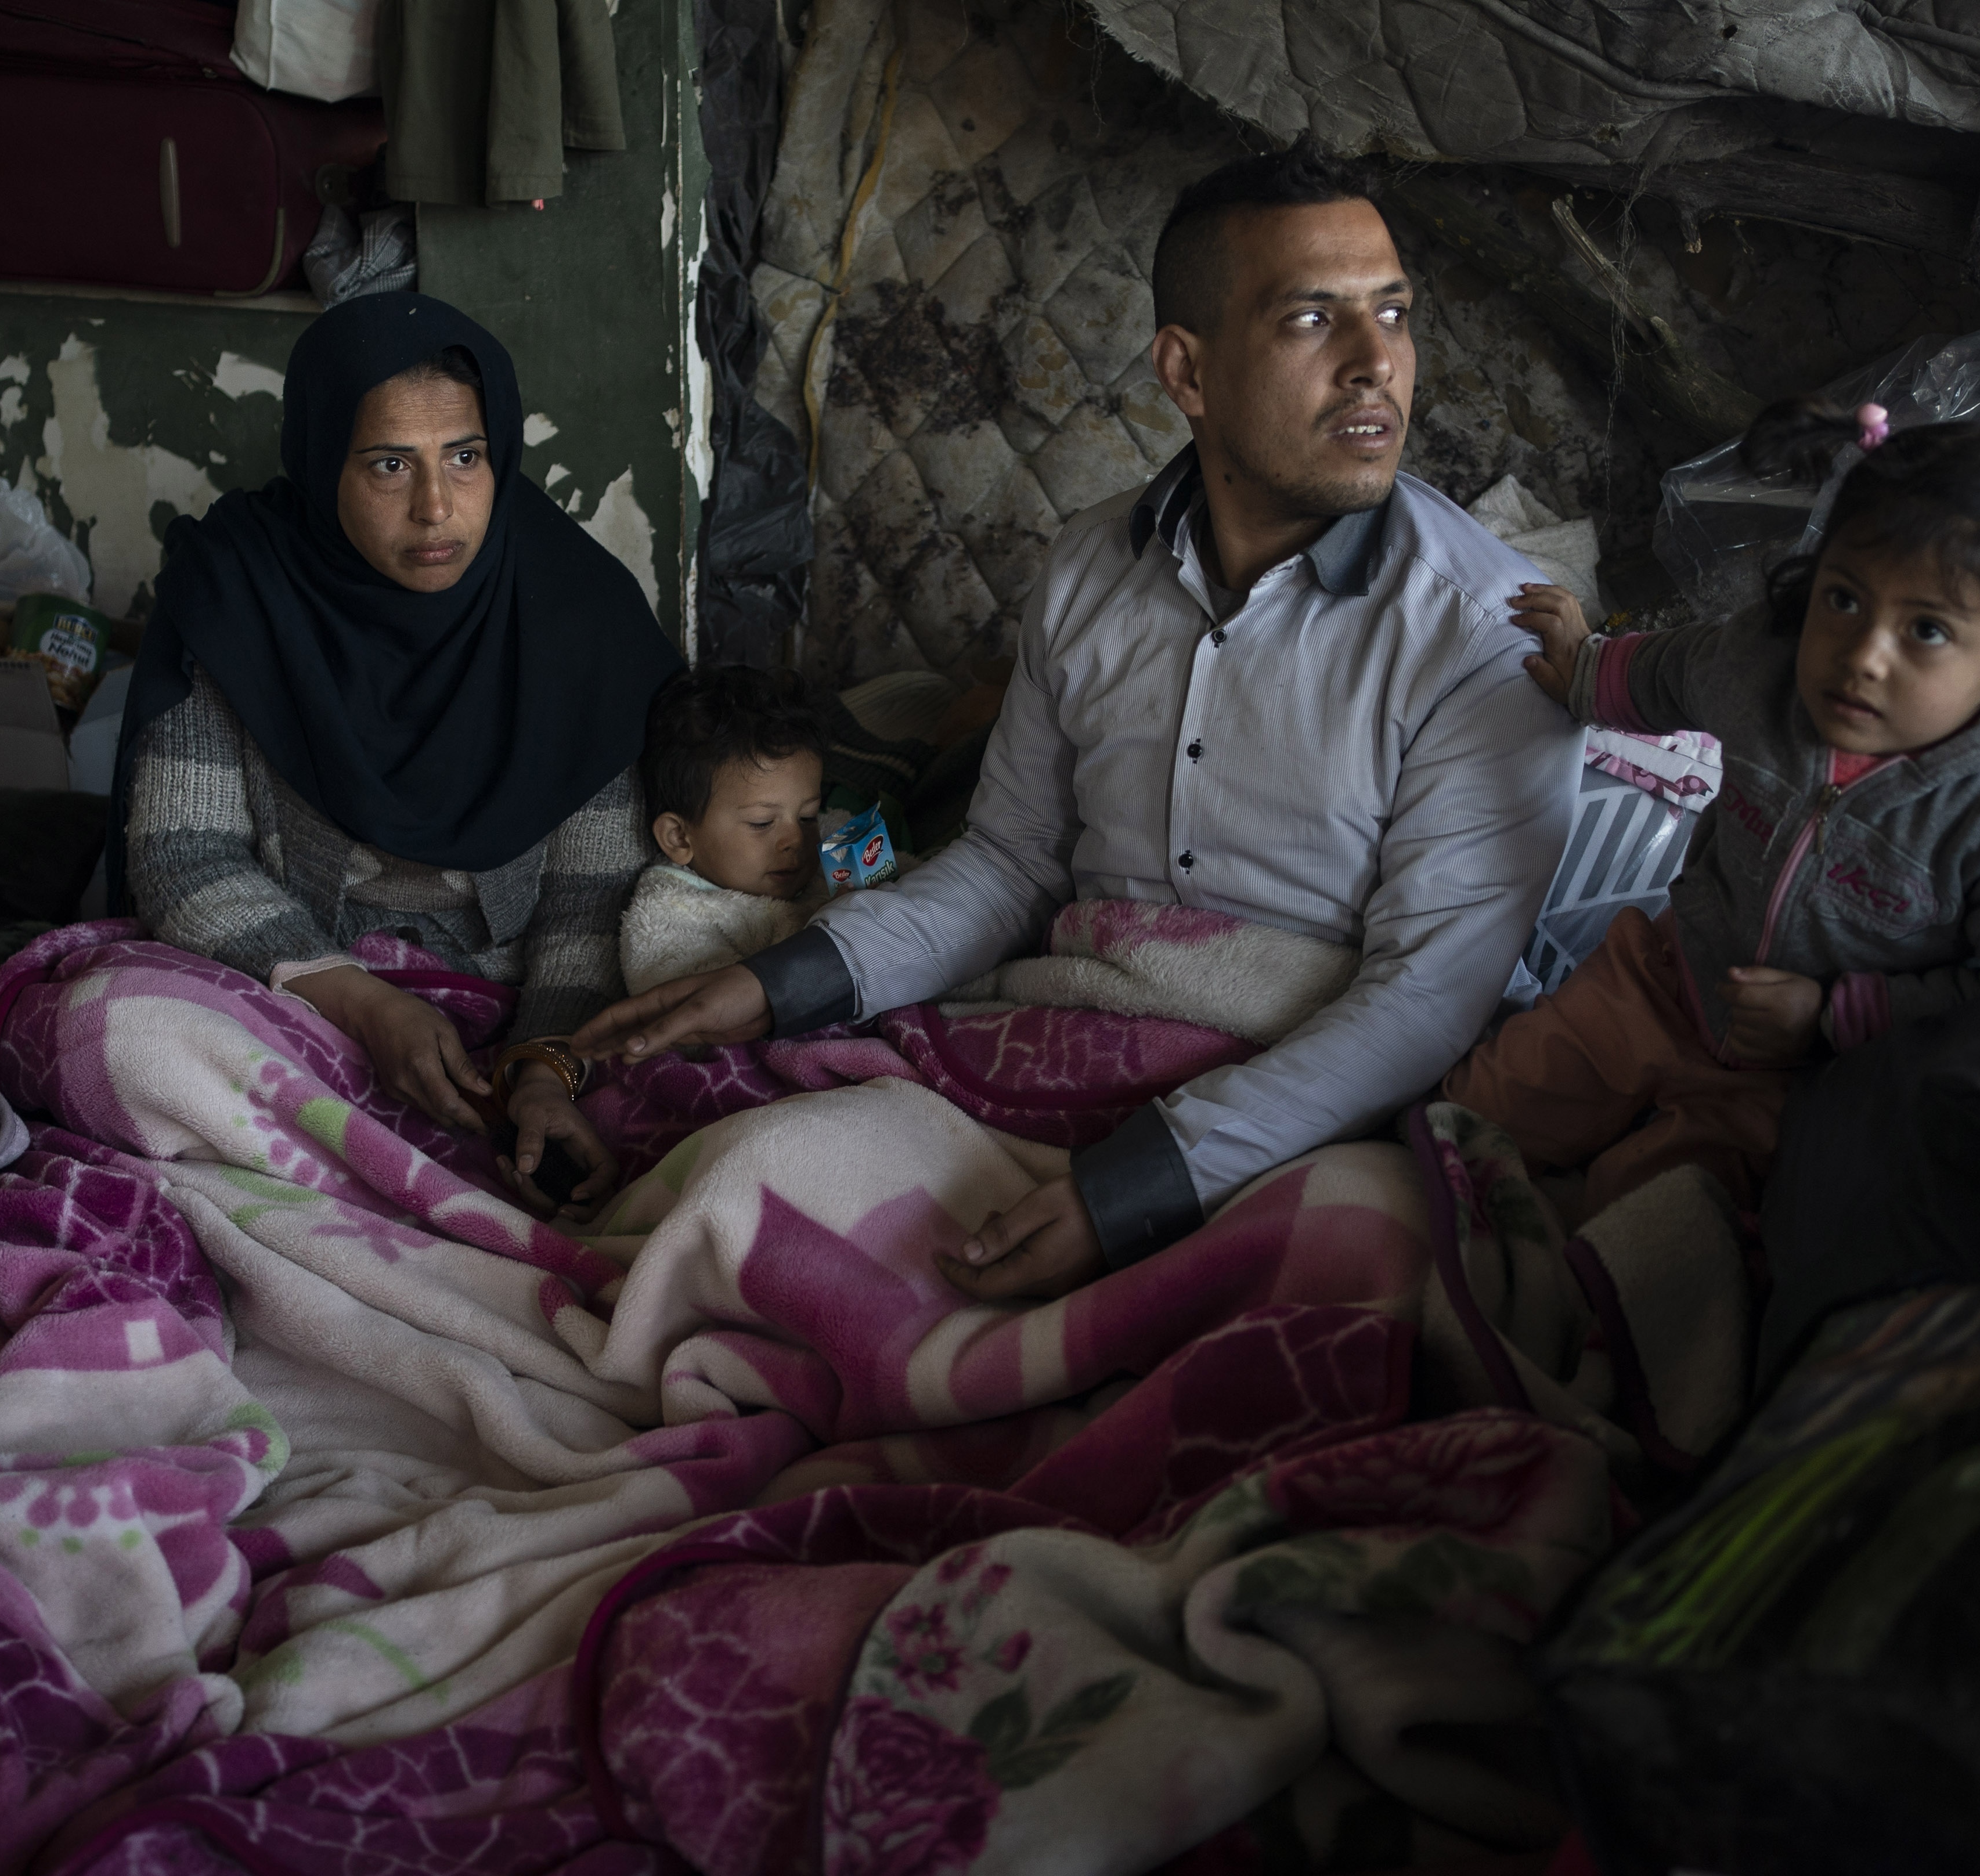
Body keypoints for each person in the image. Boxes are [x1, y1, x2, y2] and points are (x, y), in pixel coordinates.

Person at [575, 140, 1584, 1296]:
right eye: (1314, 319)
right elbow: (1010, 864)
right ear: (1187, 371)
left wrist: (1135, 1187)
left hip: (1293, 1103)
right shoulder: (1091, 568)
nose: (1377, 364)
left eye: (1393, 313)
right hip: (1060, 1036)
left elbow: (1425, 997)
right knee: (730, 1177)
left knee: (1355, 1262)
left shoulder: (1493, 632)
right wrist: (774, 984)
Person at [1444, 402, 1980, 1214]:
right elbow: (1678, 671)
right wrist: (1586, 672)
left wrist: (1837, 1017)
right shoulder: (1766, 663)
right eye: (1845, 600)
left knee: (1653, 1224)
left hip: (1813, 1077)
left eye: (1927, 631)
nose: (1862, 656)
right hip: (1662, 977)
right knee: (1465, 1125)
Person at [115, 293, 681, 1219]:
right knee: (125, 1029)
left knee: (697, 1090)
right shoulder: (237, 591)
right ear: (322, 462)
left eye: (465, 457)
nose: (436, 507)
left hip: (520, 1018)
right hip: (291, 992)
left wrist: (544, 1074)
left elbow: (595, 899)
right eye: (389, 464)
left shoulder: (581, 618)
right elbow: (182, 855)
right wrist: (363, 1004)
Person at [619, 665, 829, 996]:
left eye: (808, 816)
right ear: (680, 837)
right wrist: (832, 936)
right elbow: (703, 1008)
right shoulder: (669, 917)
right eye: (762, 823)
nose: (796, 840)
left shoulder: (833, 846)